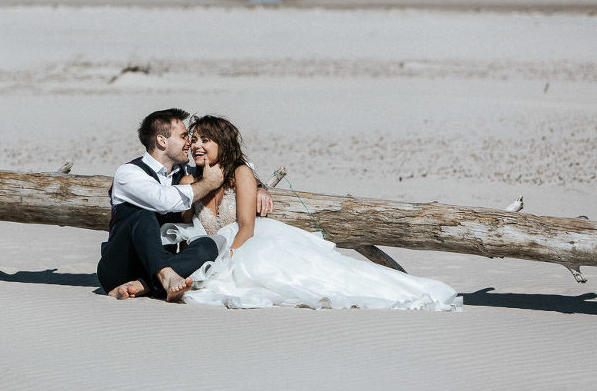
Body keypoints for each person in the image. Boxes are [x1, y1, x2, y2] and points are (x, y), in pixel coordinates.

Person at [163, 115, 462, 311]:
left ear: (222, 145)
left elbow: (246, 227)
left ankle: (410, 292)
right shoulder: (189, 181)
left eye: (206, 140)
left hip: (248, 246)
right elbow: (188, 230)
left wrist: (224, 261)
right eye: (195, 140)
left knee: (321, 279)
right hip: (211, 251)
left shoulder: (240, 173)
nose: (198, 146)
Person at [97, 108, 274, 302]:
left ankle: (145, 285)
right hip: (121, 267)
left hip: (169, 268)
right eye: (184, 137)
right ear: (162, 141)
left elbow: (228, 162)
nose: (190, 143)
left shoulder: (185, 172)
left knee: (210, 244)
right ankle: (163, 276)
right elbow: (163, 200)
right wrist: (208, 184)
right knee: (142, 215)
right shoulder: (129, 173)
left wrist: (258, 186)